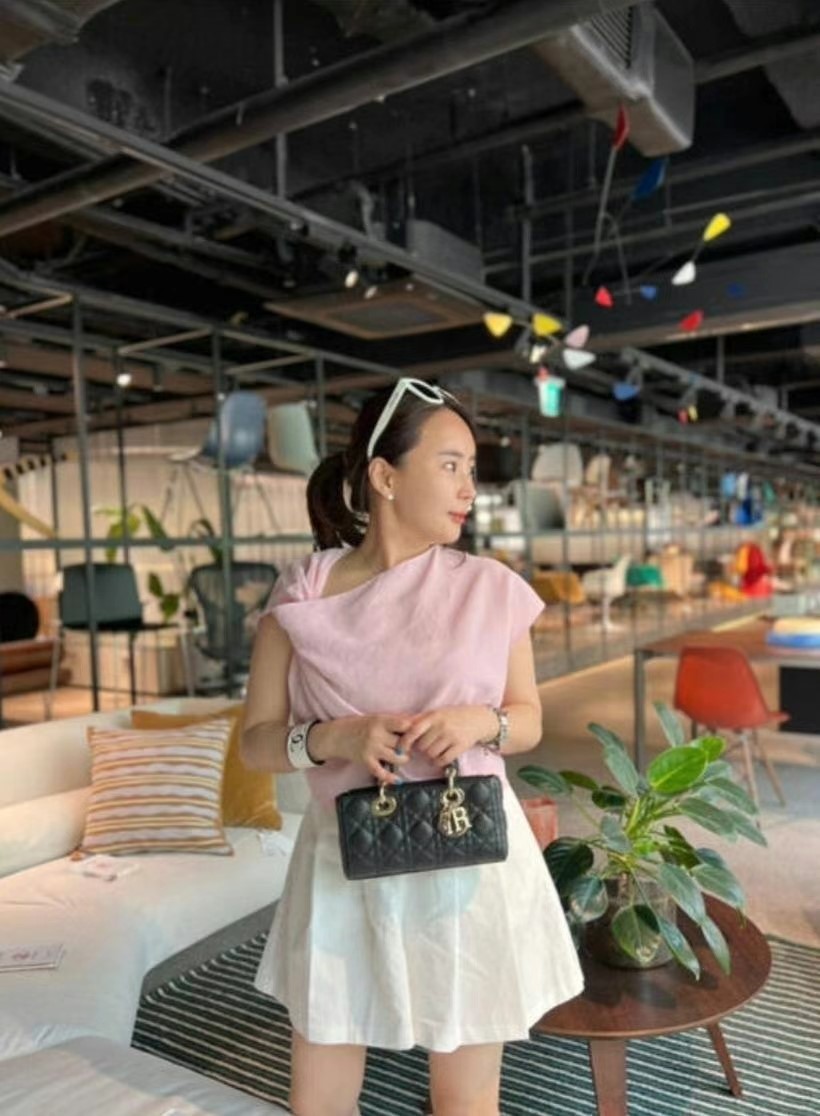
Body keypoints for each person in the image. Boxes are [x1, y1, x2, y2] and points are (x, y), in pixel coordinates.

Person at [242, 378, 583, 1116]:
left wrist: (479, 722)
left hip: (469, 861)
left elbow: (527, 719)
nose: (469, 489)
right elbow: (257, 744)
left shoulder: (489, 587)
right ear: (385, 476)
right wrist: (334, 737)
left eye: (472, 470)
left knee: (467, 1102)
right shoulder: (302, 593)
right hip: (344, 861)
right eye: (450, 465)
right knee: (319, 1099)